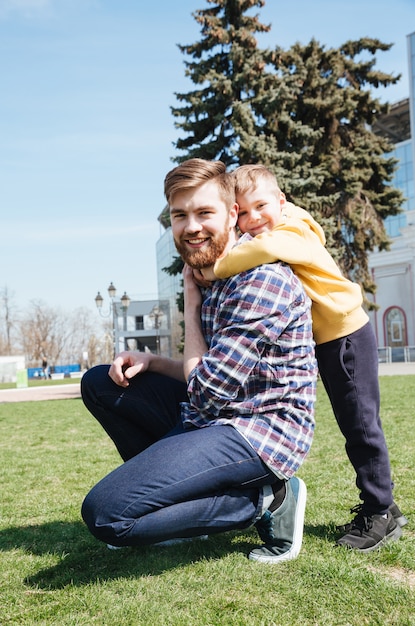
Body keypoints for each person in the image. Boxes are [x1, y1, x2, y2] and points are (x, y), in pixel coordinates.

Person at [81, 158, 317, 563]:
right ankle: (177, 509)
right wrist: (152, 362)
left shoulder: (260, 279)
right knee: (100, 383)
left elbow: (206, 392)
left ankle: (267, 498)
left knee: (107, 516)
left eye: (204, 213)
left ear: (233, 215)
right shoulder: (215, 274)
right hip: (217, 417)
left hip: (261, 431)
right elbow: (207, 371)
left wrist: (191, 308)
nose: (191, 227)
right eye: (180, 215)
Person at [211, 163, 406, 552]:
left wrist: (214, 267)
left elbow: (266, 248)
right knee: (357, 425)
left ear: (281, 202)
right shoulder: (283, 226)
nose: (252, 220)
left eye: (260, 206)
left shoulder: (291, 231)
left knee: (361, 427)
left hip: (346, 337)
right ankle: (385, 505)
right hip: (331, 340)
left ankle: (380, 513)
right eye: (242, 212)